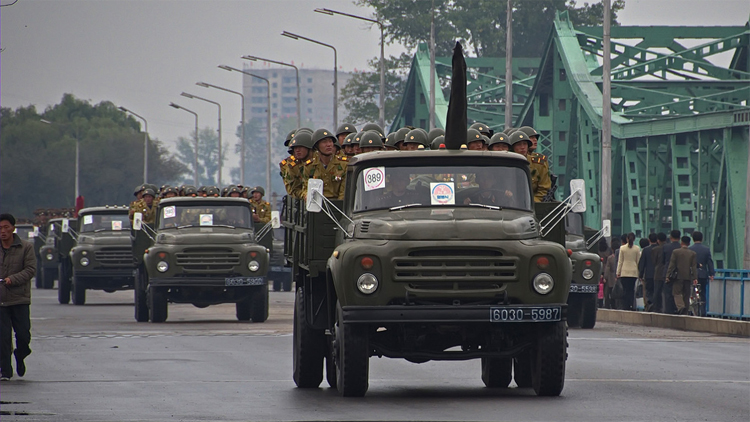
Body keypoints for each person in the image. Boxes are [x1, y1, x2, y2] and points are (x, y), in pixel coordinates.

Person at [0, 213, 36, 381]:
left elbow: (30, 270)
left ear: (13, 228)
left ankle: (21, 354)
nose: (3, 231)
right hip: (1, 301)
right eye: (0, 228)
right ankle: (6, 371)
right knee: (2, 337)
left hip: (19, 299)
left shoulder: (26, 247)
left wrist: (12, 280)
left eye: (6, 227)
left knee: (23, 335)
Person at [301, 129, 349, 200]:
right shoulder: (310, 166)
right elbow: (305, 188)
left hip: (338, 205)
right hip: (316, 205)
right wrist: (307, 195)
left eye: (330, 141)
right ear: (317, 146)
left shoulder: (343, 164)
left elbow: (344, 192)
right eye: (324, 142)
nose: (329, 145)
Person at [509, 131, 551, 202]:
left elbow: (544, 189)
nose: (522, 147)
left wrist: (531, 201)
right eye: (519, 145)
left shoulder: (538, 164)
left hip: (533, 203)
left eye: (525, 144)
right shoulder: (507, 163)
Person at [666, 236, 698, 315]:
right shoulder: (692, 253)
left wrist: (668, 275)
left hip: (678, 276)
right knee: (686, 294)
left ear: (681, 242)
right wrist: (695, 277)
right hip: (688, 277)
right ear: (689, 243)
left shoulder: (676, 252)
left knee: (676, 293)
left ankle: (680, 307)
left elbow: (672, 265)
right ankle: (685, 311)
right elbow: (694, 267)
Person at [689, 231, 714, 317]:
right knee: (703, 292)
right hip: (703, 274)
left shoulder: (690, 249)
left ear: (693, 238)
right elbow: (709, 262)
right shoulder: (706, 249)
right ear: (702, 239)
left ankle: (691, 309)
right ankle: (703, 311)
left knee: (691, 291)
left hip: (692, 275)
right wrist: (711, 274)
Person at [616, 232, 641, 311]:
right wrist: (639, 273)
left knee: (625, 290)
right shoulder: (637, 248)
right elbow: (638, 261)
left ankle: (625, 305)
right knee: (631, 290)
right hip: (633, 272)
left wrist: (618, 272)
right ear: (634, 239)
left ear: (627, 239)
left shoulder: (622, 248)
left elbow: (620, 261)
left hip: (624, 271)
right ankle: (631, 305)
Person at [660, 230, 682, 314]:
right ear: (679, 238)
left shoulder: (666, 247)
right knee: (678, 292)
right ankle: (678, 309)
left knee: (668, 293)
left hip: (668, 273)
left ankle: (669, 311)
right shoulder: (681, 247)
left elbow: (662, 261)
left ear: (671, 237)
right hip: (680, 273)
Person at [638, 233, 658, 311]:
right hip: (658, 275)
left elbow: (642, 263)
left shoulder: (646, 250)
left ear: (649, 240)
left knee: (649, 291)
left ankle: (650, 303)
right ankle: (656, 305)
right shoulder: (660, 249)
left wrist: (640, 274)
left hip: (648, 275)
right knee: (657, 290)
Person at [651, 232, 667, 313]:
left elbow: (654, 262)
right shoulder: (669, 248)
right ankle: (667, 308)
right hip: (668, 273)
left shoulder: (655, 250)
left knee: (657, 292)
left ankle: (657, 308)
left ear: (658, 240)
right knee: (667, 292)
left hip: (658, 272)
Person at [603, 238, 621, 309]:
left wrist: (605, 277)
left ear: (612, 249)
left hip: (611, 278)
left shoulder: (610, 258)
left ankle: (608, 306)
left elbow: (607, 268)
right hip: (619, 277)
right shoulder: (621, 257)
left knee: (609, 293)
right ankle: (617, 306)